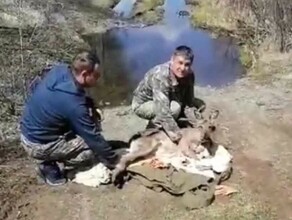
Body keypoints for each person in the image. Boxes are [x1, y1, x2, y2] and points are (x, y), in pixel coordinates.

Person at [19, 49, 117, 186]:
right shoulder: (73, 103)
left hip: (28, 132)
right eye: (96, 75)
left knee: (91, 116)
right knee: (90, 151)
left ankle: (51, 155)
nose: (98, 79)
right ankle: (48, 167)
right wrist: (114, 160)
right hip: (38, 144)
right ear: (84, 74)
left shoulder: (60, 70)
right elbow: (93, 137)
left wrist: (88, 104)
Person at [131, 45, 205, 143]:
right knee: (175, 108)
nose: (183, 68)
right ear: (172, 60)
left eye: (187, 64)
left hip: (168, 96)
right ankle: (152, 127)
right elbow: (163, 112)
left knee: (200, 105)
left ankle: (172, 121)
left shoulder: (189, 75)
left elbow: (189, 102)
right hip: (144, 103)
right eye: (180, 63)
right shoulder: (160, 76)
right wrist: (178, 135)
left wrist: (197, 124)